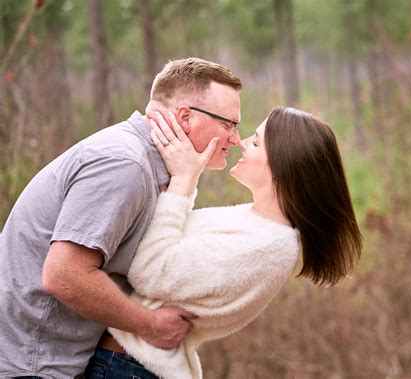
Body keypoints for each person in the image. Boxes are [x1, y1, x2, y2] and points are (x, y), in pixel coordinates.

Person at [0, 57, 243, 378]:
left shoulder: (150, 167)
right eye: (229, 124)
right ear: (185, 117)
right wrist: (150, 324)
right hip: (31, 364)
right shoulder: (124, 165)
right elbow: (64, 274)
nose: (236, 139)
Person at [85, 107, 363, 379]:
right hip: (124, 364)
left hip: (130, 368)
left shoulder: (266, 246)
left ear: (281, 165)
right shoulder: (253, 222)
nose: (241, 143)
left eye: (255, 142)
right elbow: (170, 240)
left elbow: (149, 271)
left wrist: (184, 180)